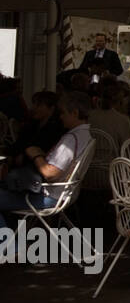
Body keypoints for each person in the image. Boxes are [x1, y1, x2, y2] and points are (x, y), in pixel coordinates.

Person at [0, 91, 92, 230]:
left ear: (74, 113)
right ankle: (15, 241)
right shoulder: (85, 135)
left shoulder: (72, 139)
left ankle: (12, 246)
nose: (60, 117)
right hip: (64, 193)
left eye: (63, 113)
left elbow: (50, 174)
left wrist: (36, 155)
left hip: (50, 196)